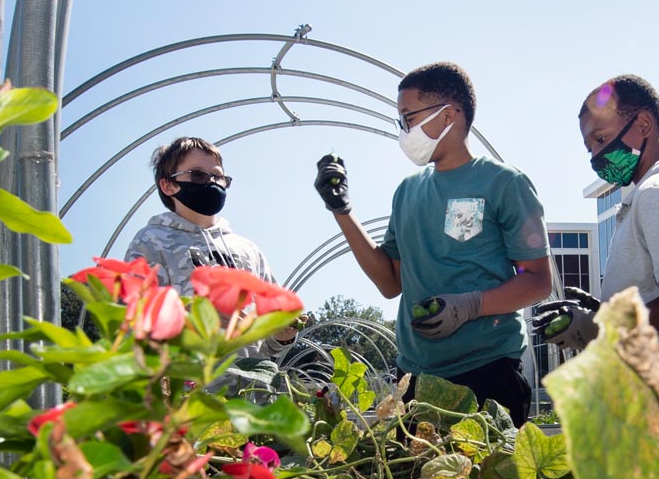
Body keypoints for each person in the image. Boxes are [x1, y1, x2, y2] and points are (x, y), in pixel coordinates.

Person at [313, 62, 552, 423]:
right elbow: (390, 284)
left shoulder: (504, 184)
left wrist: (469, 305)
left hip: (487, 374)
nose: (404, 130)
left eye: (408, 117)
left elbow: (538, 281)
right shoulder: (407, 192)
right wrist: (342, 210)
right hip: (414, 378)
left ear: (448, 115)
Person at [538, 75, 659, 396]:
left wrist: (599, 326)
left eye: (601, 138)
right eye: (589, 147)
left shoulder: (655, 194)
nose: (596, 155)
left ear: (644, 125)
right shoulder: (643, 197)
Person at [123, 136, 293, 349]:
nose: (212, 183)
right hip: (191, 379)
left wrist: (282, 336)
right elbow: (136, 321)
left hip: (252, 382)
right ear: (168, 185)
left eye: (218, 177)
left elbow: (267, 346)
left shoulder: (248, 250)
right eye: (198, 176)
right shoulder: (151, 241)